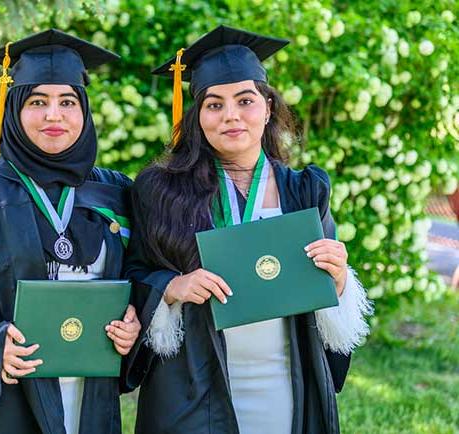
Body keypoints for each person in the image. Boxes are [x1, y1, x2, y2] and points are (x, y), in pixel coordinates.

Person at [124, 25, 373, 434]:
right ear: (197, 116)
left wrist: (341, 276)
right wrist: (172, 288)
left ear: (268, 107)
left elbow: (332, 294)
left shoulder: (305, 189)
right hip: (192, 383)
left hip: (285, 380)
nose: (231, 116)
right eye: (214, 105)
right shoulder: (161, 191)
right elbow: (134, 273)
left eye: (245, 100)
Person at [0, 29, 141, 434]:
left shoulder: (114, 191)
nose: (54, 115)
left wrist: (134, 320)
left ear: (85, 110)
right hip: (11, 389)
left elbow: (137, 276)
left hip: (92, 386)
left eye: (68, 101)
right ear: (13, 110)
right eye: (38, 101)